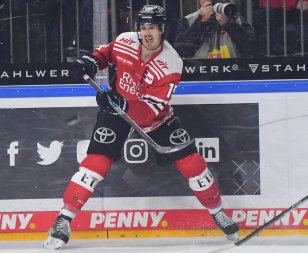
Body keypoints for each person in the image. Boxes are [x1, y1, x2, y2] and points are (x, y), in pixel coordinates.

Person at [43, 5, 239, 250]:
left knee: (193, 163)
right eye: (143, 27)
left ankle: (218, 212)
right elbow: (107, 53)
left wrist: (123, 103)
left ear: (162, 30)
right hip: (115, 111)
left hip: (155, 118)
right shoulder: (125, 41)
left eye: (153, 28)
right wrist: (92, 62)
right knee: (95, 165)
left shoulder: (171, 63)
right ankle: (63, 220)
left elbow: (152, 110)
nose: (147, 33)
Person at [173, 0, 256, 58]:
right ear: (202, 1)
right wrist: (201, 21)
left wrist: (229, 24)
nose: (215, 3)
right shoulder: (189, 20)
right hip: (199, 75)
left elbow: (251, 48)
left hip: (232, 74)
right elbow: (181, 51)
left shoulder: (236, 19)